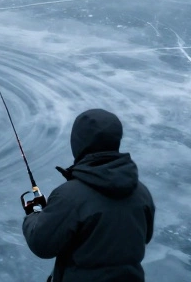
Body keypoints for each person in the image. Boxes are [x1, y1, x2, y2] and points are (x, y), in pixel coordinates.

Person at [22, 108, 155, 282]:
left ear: (78, 144)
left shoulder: (69, 196)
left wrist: (34, 214)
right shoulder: (141, 192)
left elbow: (42, 244)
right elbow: (145, 237)